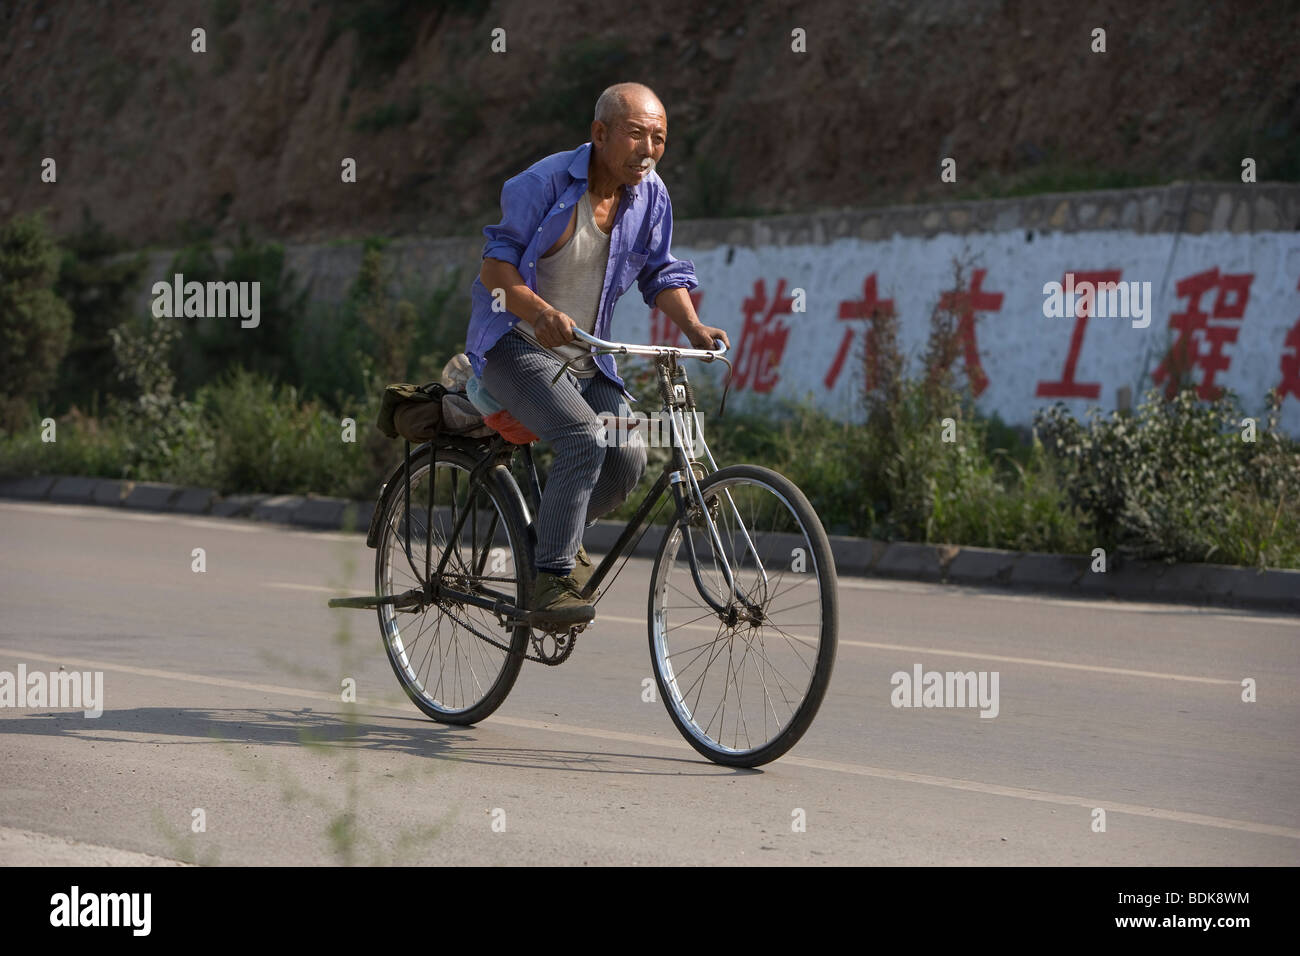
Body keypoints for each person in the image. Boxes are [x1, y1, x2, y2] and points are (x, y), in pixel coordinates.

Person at [467, 82, 730, 625]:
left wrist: (694, 327)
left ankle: (544, 545)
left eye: (659, 138)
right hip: (516, 345)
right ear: (600, 133)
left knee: (629, 455)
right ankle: (552, 576)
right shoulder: (541, 184)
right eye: (636, 134)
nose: (648, 149)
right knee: (585, 438)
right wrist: (538, 313)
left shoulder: (650, 194)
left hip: (587, 357)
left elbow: (660, 273)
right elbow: (496, 269)